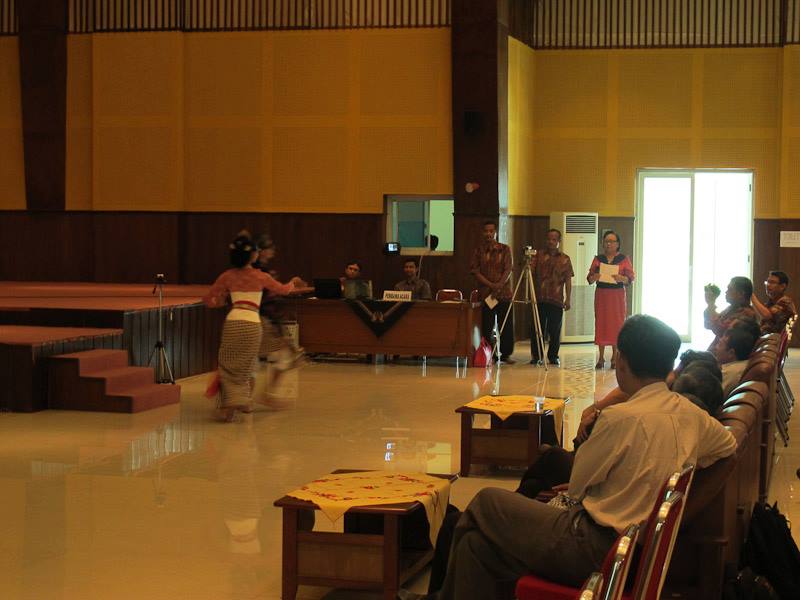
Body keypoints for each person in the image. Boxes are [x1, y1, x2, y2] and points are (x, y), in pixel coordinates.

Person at [413, 315, 736, 600]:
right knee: (475, 547)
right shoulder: (692, 415)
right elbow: (729, 451)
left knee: (486, 502)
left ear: (621, 360)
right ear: (669, 365)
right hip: (631, 549)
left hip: (592, 545)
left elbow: (578, 486)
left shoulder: (620, 418)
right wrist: (686, 509)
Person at [204, 233, 307, 421]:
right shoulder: (261, 276)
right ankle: (243, 401)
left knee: (229, 365)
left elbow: (209, 300)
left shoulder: (227, 276)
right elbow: (284, 290)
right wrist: (293, 282)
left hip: (233, 322)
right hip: (253, 323)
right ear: (253, 256)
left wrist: (221, 302)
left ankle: (230, 405)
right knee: (247, 364)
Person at [586, 230, 635, 369]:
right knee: (601, 322)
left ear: (617, 244)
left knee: (617, 323)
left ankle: (615, 357)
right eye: (606, 241)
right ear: (603, 243)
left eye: (612, 241)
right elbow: (589, 278)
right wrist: (594, 277)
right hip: (602, 294)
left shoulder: (624, 259)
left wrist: (622, 278)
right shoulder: (598, 259)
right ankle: (600, 357)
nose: (609, 244)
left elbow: (631, 278)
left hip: (617, 295)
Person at [470, 221, 515, 363]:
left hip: (504, 294)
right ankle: (488, 353)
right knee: (487, 325)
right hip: (486, 294)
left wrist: (499, 285)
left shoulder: (505, 249)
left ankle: (505, 354)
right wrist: (491, 285)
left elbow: (508, 269)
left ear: (496, 232)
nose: (488, 234)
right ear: (483, 233)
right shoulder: (478, 250)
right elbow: (475, 271)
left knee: (505, 325)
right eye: (486, 231)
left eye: (491, 231)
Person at [530, 229, 574, 367]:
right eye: (549, 239)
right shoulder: (538, 255)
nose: (551, 242)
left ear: (559, 241)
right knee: (537, 329)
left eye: (554, 239)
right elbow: (529, 273)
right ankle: (537, 356)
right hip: (540, 298)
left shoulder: (565, 258)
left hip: (556, 299)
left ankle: (553, 356)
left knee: (555, 330)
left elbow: (568, 280)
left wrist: (568, 299)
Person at [704, 276, 758, 352]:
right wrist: (710, 305)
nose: (726, 292)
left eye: (729, 289)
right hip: (715, 350)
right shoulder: (731, 308)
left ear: (741, 294)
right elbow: (708, 324)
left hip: (725, 354)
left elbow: (721, 330)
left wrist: (711, 304)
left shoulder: (747, 314)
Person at [713, 326, 757, 396]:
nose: (715, 347)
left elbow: (712, 398)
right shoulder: (744, 364)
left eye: (720, 344)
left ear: (731, 353)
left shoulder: (728, 373)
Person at [751, 270, 797, 334]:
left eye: (772, 282)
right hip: (765, 337)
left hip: (776, 338)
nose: (768, 285)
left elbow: (767, 315)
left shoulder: (786, 302)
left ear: (782, 286)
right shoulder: (769, 303)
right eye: (767, 282)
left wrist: (752, 296)